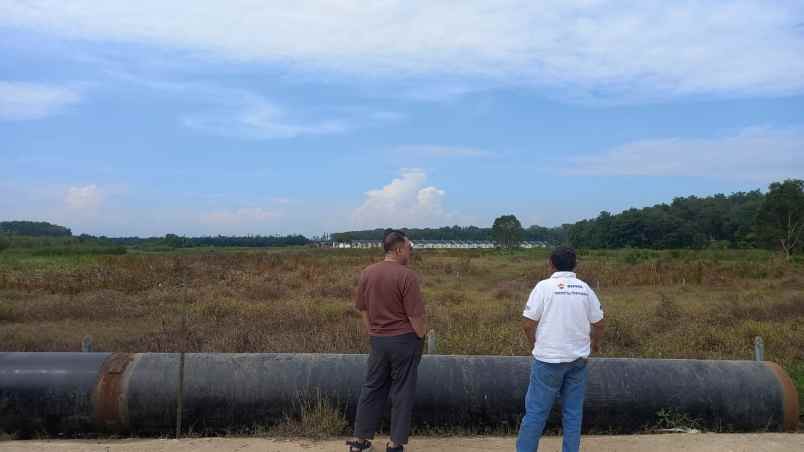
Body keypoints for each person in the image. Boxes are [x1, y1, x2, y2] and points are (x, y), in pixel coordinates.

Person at [516, 246, 605, 452]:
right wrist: (594, 344)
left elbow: (528, 324)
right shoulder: (584, 289)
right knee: (573, 414)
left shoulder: (543, 287)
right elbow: (599, 323)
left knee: (536, 413)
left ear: (551, 264)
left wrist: (534, 344)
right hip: (577, 362)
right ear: (575, 265)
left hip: (547, 360)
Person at [347, 230, 426, 452]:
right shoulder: (407, 276)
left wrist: (372, 332)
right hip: (404, 341)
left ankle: (360, 441)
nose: (411, 251)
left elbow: (362, 308)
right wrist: (420, 335)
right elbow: (416, 316)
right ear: (398, 250)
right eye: (409, 247)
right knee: (402, 392)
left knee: (372, 388)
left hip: (379, 341)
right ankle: (395, 444)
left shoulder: (367, 273)